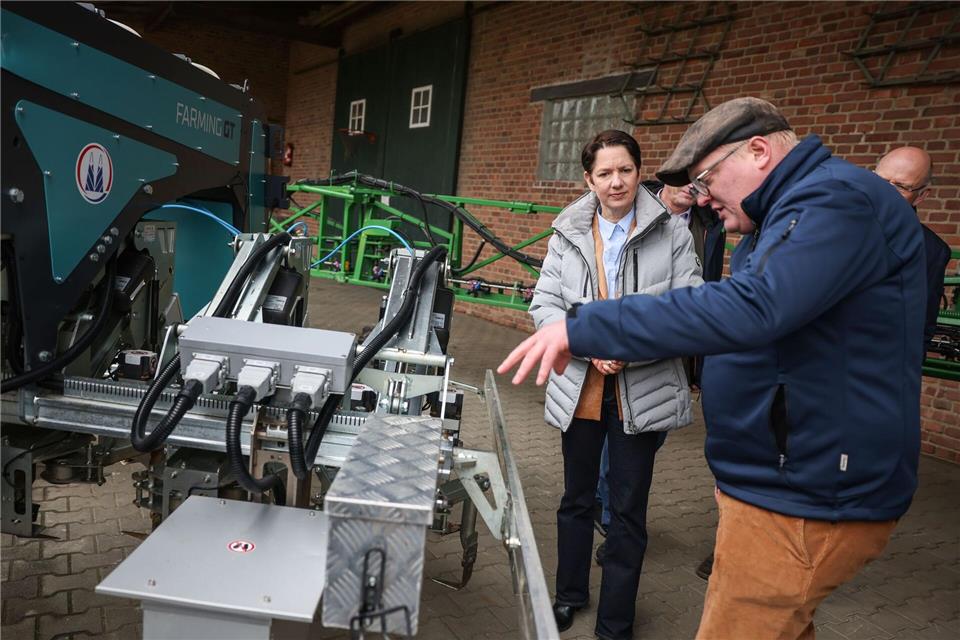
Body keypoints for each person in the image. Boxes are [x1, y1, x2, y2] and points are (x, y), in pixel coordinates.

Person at [499, 98, 926, 639]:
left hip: (805, 491)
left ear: (757, 150)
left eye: (706, 179)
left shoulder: (832, 202)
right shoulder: (786, 214)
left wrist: (590, 327)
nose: (701, 198)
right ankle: (572, 595)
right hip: (780, 481)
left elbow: (748, 308)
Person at [529, 129, 702, 639]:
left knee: (627, 512)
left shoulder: (672, 233)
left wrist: (629, 347)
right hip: (580, 391)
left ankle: (615, 623)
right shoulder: (566, 234)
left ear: (638, 172)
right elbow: (543, 307)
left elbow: (691, 311)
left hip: (640, 397)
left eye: (625, 170)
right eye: (604, 173)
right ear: (589, 179)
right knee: (575, 500)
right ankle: (569, 595)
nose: (615, 181)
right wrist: (585, 344)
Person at [594, 180, 725, 564]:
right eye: (684, 179)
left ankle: (614, 505)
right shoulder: (637, 207)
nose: (691, 188)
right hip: (627, 343)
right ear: (666, 177)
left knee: (652, 433)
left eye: (699, 181)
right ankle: (610, 514)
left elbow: (706, 287)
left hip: (676, 347)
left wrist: (698, 360)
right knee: (622, 432)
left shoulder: (706, 223)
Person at [875, 146, 952, 352]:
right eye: (880, 181)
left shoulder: (931, 251)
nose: (885, 192)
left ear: (920, 196)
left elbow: (919, 329)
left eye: (900, 186)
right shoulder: (832, 221)